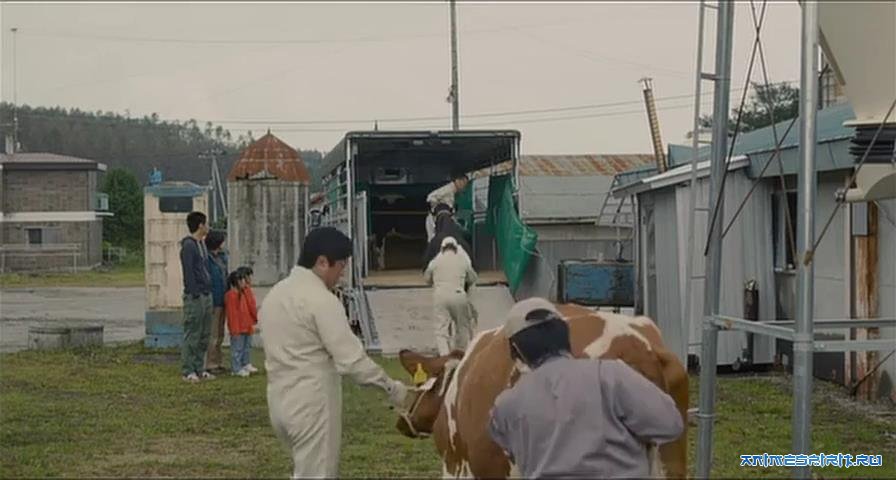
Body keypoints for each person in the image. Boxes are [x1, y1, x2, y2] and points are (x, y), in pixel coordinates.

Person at [259, 226, 410, 478]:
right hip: (312, 405)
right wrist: (392, 388)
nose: (342, 274)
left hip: (279, 402)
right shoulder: (322, 300)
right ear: (322, 262)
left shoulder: (275, 295)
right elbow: (352, 362)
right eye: (341, 266)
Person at [487, 298, 684, 479]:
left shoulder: (506, 405)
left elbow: (509, 447)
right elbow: (670, 425)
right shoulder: (611, 375)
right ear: (565, 335)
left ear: (515, 350)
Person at [424, 236, 478, 356]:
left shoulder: (436, 260)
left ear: (442, 248)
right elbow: (473, 278)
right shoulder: (462, 259)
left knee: (441, 330)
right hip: (458, 295)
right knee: (462, 327)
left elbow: (427, 278)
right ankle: (460, 354)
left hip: (440, 296)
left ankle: (444, 356)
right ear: (455, 248)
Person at [179, 211, 215, 383]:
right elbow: (188, 272)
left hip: (206, 294)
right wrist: (194, 292)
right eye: (206, 223)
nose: (208, 227)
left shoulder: (202, 245)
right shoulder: (189, 246)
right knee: (193, 332)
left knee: (204, 333)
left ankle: (200, 368)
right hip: (195, 296)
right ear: (200, 225)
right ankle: (188, 370)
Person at [204, 229, 229, 374]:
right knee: (213, 333)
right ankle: (210, 363)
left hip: (223, 298)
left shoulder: (222, 257)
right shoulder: (206, 258)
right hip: (213, 299)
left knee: (220, 333)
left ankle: (218, 361)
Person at [225, 269, 257, 377]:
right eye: (242, 280)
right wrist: (235, 329)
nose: (245, 282)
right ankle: (236, 368)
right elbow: (232, 315)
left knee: (245, 347)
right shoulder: (231, 295)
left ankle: (244, 364)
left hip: (246, 325)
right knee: (237, 349)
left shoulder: (243, 293)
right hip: (238, 328)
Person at [425, 174, 470, 242]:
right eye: (464, 183)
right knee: (433, 241)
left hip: (445, 221)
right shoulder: (448, 188)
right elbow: (430, 197)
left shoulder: (456, 193)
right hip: (434, 220)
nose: (464, 186)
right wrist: (439, 208)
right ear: (458, 181)